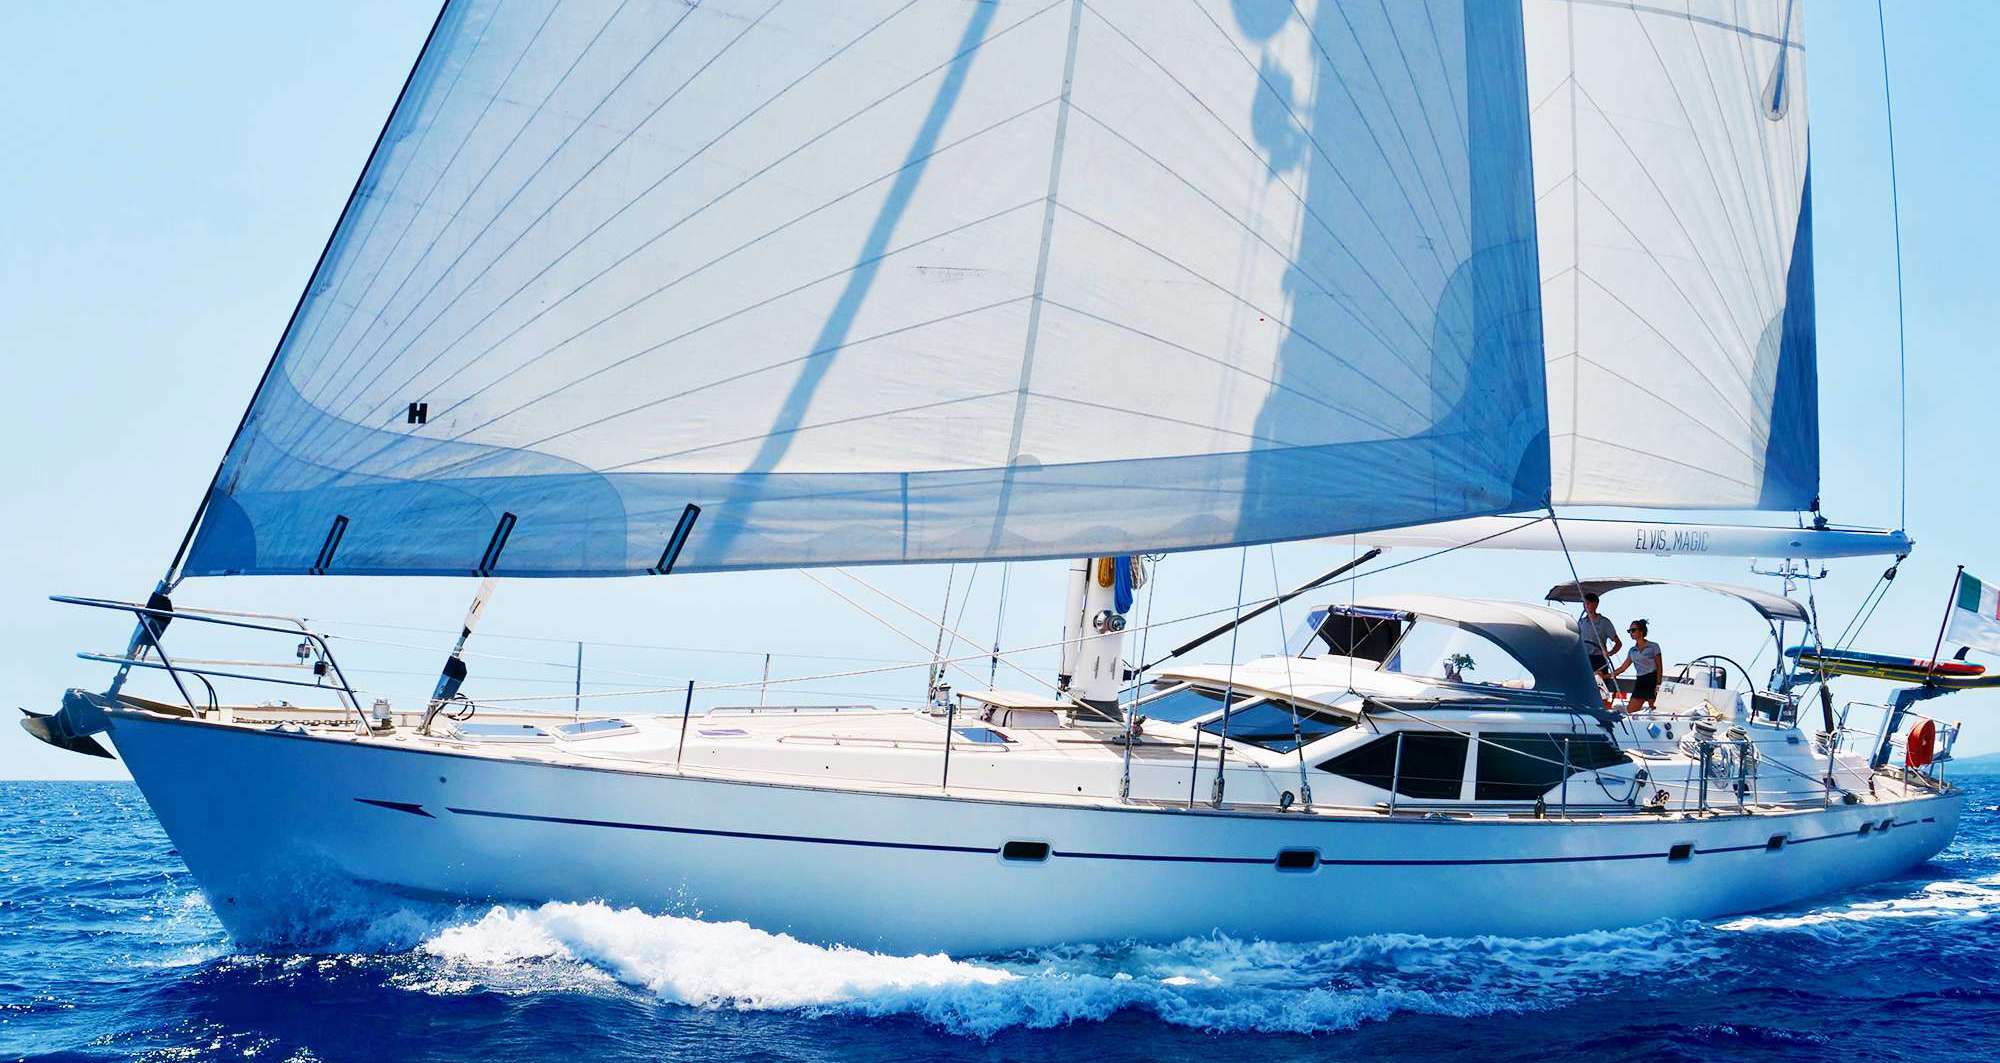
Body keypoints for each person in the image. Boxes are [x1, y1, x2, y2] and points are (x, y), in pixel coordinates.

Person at [1613, 619, 1663, 713]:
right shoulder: (1632, 650)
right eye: (1629, 631)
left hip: (1652, 679)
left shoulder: (1653, 646)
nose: (1631, 633)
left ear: (1641, 631)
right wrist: (1609, 675)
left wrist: (1658, 683)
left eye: (1633, 630)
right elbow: (1623, 668)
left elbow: (1659, 666)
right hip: (1640, 681)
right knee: (1630, 711)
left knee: (1655, 711)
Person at [1578, 592, 1622, 692]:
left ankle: (1602, 699)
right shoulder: (1581, 622)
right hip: (1584, 659)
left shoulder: (1604, 622)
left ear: (1595, 604)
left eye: (1587, 603)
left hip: (1599, 660)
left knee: (1600, 690)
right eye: (1584, 603)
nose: (1585, 606)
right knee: (1582, 687)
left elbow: (1618, 643)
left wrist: (1609, 653)